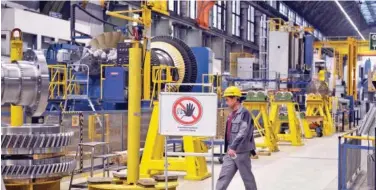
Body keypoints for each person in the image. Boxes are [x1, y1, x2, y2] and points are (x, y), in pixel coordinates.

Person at [216, 86, 257, 190]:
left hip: (242, 152)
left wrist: (233, 147)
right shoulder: (231, 114)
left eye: (227, 99)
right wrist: (230, 148)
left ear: (235, 99)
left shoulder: (244, 113)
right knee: (223, 177)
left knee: (247, 179)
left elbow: (243, 131)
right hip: (230, 152)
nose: (226, 102)